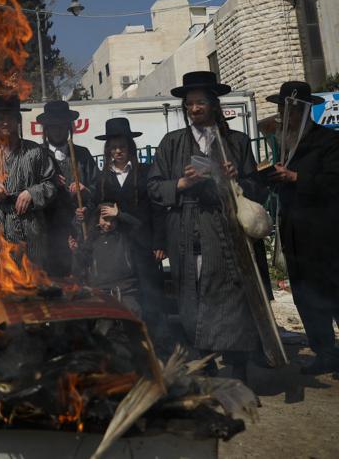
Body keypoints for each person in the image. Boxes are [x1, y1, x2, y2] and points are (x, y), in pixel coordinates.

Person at [147, 71, 266, 381]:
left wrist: (236, 176)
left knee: (232, 301)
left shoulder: (236, 142)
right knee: (192, 303)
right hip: (187, 234)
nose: (194, 109)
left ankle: (237, 372)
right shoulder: (172, 143)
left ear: (214, 105)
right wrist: (183, 182)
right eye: (189, 104)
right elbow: (154, 187)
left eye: (200, 102)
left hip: (227, 234)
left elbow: (257, 187)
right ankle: (206, 368)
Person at [266, 81, 339, 374]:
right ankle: (325, 353)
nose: (283, 116)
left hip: (325, 236)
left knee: (333, 293)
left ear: (303, 111)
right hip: (294, 236)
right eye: (281, 109)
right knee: (306, 297)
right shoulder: (287, 146)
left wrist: (296, 178)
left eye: (288, 110)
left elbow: (334, 183)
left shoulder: (329, 141)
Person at [91, 118, 168, 339]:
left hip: (144, 245)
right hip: (117, 250)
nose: (118, 152)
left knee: (151, 298)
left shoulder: (145, 172)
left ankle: (159, 350)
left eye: (122, 147)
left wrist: (159, 243)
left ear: (130, 148)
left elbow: (158, 208)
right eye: (114, 148)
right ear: (108, 151)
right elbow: (96, 208)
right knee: (125, 300)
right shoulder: (103, 178)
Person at [0, 94, 57, 269]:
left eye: (10, 117)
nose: (6, 122)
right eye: (1, 118)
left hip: (28, 227)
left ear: (18, 120)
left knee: (31, 284)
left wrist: (32, 192)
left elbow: (51, 184)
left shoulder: (35, 151)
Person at [37, 100, 98, 278]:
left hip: (81, 229)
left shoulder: (82, 154)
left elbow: (98, 188)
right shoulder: (37, 155)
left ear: (68, 127)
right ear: (46, 129)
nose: (57, 130)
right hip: (50, 231)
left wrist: (85, 192)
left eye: (61, 125)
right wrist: (48, 182)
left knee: (82, 283)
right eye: (53, 126)